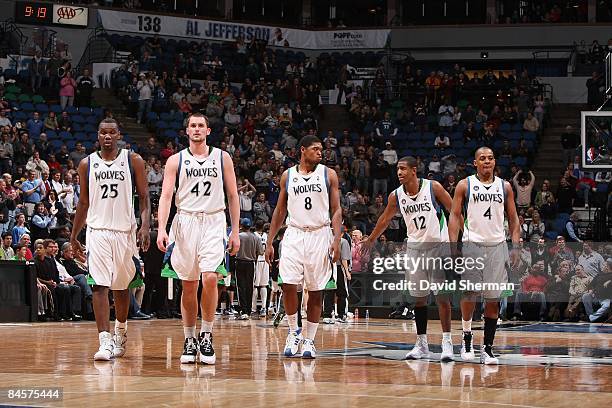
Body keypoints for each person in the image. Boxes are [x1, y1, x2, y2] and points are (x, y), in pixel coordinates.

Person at [156, 113, 240, 365]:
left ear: (208, 131)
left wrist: (234, 230)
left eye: (200, 125)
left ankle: (207, 334)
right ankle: (189, 338)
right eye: (192, 125)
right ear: (187, 131)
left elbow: (233, 195)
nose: (196, 129)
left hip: (214, 220)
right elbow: (166, 196)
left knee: (211, 277)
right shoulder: (175, 160)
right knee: (189, 284)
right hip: (185, 221)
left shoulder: (222, 157)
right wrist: (162, 228)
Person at [70, 118, 151, 361]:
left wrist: (145, 226)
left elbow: (145, 197)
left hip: (125, 231)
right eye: (103, 132)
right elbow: (83, 203)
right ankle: (104, 341)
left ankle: (121, 331)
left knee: (122, 286)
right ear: (97, 136)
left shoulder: (132, 160)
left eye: (111, 132)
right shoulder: (87, 164)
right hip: (98, 231)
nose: (107, 136)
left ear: (118, 135)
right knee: (99, 285)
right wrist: (74, 236)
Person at [362, 156, 455, 361]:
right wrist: (370, 239)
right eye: (398, 169)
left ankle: (447, 342)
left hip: (437, 246)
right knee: (419, 298)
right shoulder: (396, 196)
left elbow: (454, 211)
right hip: (414, 248)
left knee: (441, 296)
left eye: (403, 168)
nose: (399, 172)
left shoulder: (433, 187)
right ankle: (421, 344)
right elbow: (385, 219)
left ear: (414, 170)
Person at [265, 135, 342, 359]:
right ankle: (293, 331)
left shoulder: (328, 174)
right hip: (294, 233)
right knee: (288, 284)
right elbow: (280, 211)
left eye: (321, 149)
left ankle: (309, 340)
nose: (321, 152)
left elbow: (336, 209)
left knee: (316, 289)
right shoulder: (288, 176)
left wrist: (337, 239)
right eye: (316, 149)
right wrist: (270, 241)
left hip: (320, 233)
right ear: (302, 150)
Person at [448, 147, 520, 365]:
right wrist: (453, 246)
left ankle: (487, 348)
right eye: (482, 159)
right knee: (470, 293)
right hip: (472, 245)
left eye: (490, 158)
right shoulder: (464, 184)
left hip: (498, 246)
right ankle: (467, 336)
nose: (487, 161)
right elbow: (454, 215)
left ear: (494, 161)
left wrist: (515, 246)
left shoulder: (505, 186)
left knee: (492, 300)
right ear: (475, 163)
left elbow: (514, 219)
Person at [252, 219, 269, 317]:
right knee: (264, 285)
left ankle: (254, 309)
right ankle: (263, 308)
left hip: (257, 261)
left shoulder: (254, 235)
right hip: (265, 261)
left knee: (255, 286)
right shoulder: (266, 236)